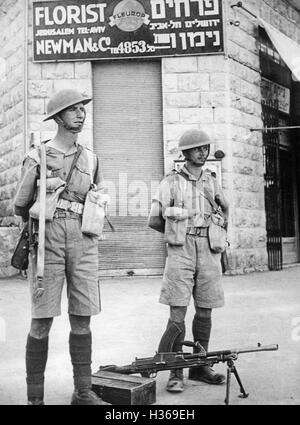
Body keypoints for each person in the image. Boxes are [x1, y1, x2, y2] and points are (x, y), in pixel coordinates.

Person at [13, 89, 109, 405]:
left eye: (83, 109)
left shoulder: (91, 157)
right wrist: (48, 192)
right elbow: (20, 205)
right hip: (48, 240)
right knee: (42, 319)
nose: (81, 114)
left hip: (83, 240)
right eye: (73, 110)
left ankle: (82, 392)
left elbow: (98, 194)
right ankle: (35, 399)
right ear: (58, 117)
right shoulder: (37, 156)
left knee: (83, 316)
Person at [148, 128, 229, 393]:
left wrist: (223, 211)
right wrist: (177, 232)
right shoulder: (170, 181)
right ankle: (175, 371)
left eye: (205, 147)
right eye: (197, 148)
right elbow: (154, 218)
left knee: (205, 308)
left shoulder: (212, 181)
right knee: (178, 311)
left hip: (209, 248)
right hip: (181, 249)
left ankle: (200, 365)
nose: (203, 152)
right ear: (185, 153)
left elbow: (224, 215)